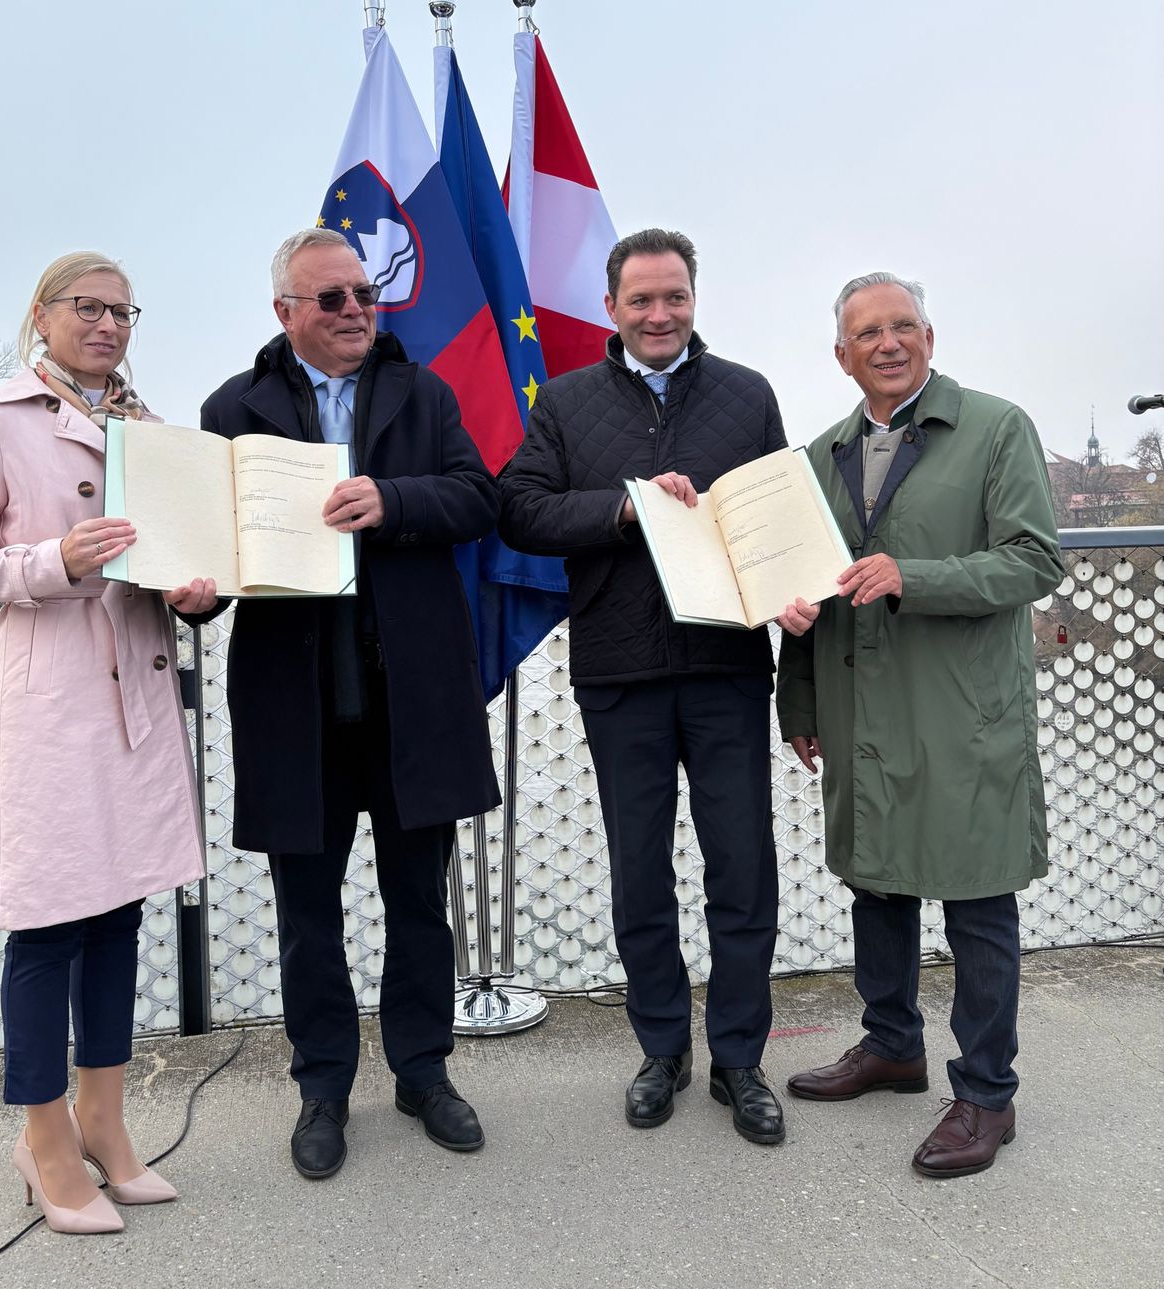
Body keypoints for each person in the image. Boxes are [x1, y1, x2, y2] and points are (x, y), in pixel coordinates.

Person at [196, 227, 500, 1180]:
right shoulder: (229, 407)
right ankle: (322, 1084)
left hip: (412, 695)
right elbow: (207, 541)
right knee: (307, 914)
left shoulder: (425, 391)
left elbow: (477, 499)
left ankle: (422, 1071)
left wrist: (393, 500)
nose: (356, 310)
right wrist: (195, 589)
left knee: (418, 905)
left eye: (365, 293)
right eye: (331, 298)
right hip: (296, 700)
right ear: (285, 311)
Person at [0, 253, 212, 1234]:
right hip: (52, 707)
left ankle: (104, 1120)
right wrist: (52, 559)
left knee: (120, 911)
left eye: (123, 311)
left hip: (136, 694)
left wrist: (193, 587)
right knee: (47, 922)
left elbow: (179, 551)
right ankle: (43, 1136)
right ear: (41, 316)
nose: (108, 325)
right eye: (87, 309)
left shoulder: (148, 428)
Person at [499, 228, 789, 1143]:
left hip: (728, 667)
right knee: (640, 873)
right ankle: (661, 1046)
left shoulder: (748, 395)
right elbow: (521, 508)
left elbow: (778, 520)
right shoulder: (570, 400)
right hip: (620, 671)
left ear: (693, 299)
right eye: (641, 301)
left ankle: (739, 1057)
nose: (659, 315)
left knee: (742, 869)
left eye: (674, 298)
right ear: (613, 308)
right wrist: (626, 506)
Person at [775, 272, 1062, 1178]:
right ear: (842, 355)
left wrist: (917, 575)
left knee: (978, 904)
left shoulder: (995, 427)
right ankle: (892, 1045)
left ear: (929, 338)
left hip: (961, 714)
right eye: (868, 332)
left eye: (903, 325)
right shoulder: (820, 453)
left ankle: (985, 1093)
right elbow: (807, 588)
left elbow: (1034, 559)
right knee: (879, 888)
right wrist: (801, 700)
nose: (888, 342)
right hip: (861, 713)